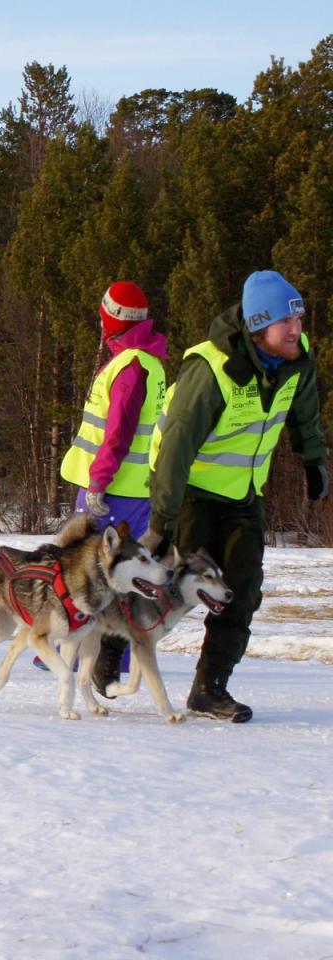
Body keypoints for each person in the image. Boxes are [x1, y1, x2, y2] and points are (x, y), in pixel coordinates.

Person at [146, 270, 327, 723]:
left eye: (299, 319)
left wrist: (313, 459)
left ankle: (210, 688)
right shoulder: (211, 370)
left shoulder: (296, 360)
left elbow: (304, 412)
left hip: (243, 496)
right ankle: (111, 647)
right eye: (286, 322)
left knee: (240, 591)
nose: (296, 330)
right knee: (169, 585)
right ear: (258, 324)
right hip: (189, 493)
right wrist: (162, 523)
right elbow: (176, 448)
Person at [59, 280, 168, 694]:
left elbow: (117, 434)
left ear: (113, 320)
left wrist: (99, 483)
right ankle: (103, 656)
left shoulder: (132, 367)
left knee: (91, 571)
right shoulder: (148, 362)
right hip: (132, 487)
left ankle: (80, 655)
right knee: (116, 575)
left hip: (114, 490)